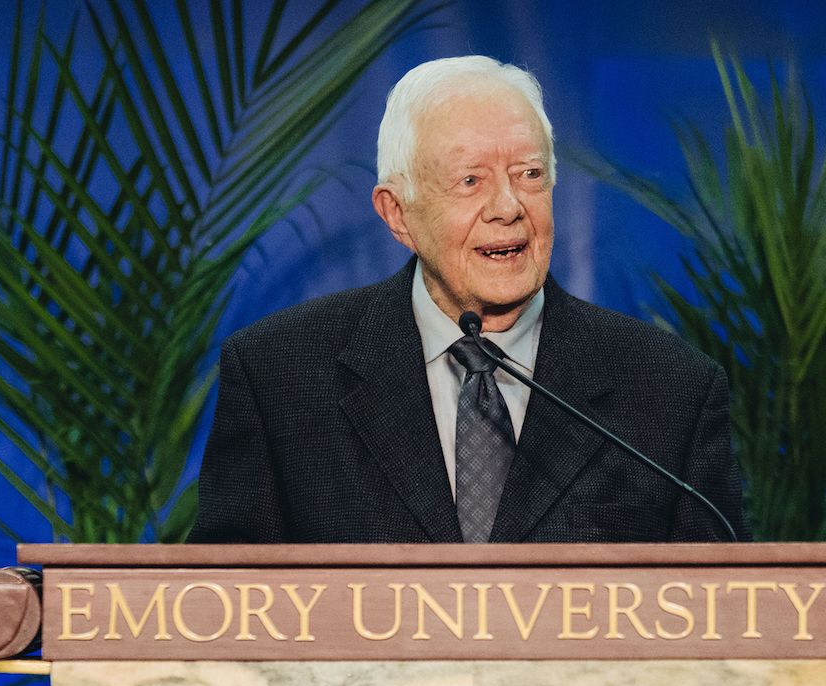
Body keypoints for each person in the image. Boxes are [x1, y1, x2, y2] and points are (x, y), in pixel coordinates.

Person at [189, 56, 746, 544]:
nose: (508, 207)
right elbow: (224, 608)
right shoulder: (280, 375)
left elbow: (725, 613)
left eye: (529, 174)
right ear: (397, 213)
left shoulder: (670, 390)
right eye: (470, 181)